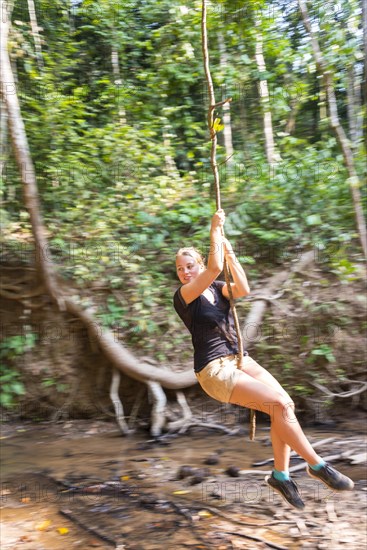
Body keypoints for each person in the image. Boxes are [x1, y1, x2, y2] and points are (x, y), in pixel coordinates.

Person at [173, 209, 354, 510]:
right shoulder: (185, 294)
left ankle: (280, 476)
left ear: (198, 264)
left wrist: (230, 253)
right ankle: (317, 465)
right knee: (278, 405)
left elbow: (242, 288)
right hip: (214, 370)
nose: (185, 272)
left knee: (285, 404)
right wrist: (214, 230)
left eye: (190, 266)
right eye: (180, 269)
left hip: (240, 359)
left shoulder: (217, 289)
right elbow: (215, 267)